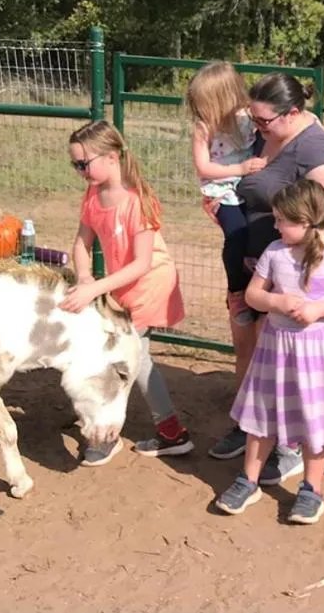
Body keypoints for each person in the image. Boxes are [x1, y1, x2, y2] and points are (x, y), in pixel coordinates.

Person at [204, 72, 324, 489]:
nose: (256, 128)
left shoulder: (314, 146)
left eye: (264, 121)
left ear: (293, 113)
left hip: (290, 277)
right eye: (256, 118)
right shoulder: (270, 130)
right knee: (250, 352)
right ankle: (252, 426)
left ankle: (287, 446)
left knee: (285, 363)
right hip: (253, 264)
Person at [214, 178, 324, 524]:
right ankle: (248, 480)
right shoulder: (275, 252)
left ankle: (311, 489)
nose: (276, 225)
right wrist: (277, 301)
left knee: (316, 419)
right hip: (276, 350)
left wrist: (318, 310)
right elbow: (253, 295)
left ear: (307, 220)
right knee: (261, 417)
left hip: (320, 357)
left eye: (283, 220)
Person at [62, 119, 194, 464]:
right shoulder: (93, 194)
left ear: (111, 156)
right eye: (75, 164)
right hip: (119, 285)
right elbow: (81, 241)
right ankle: (160, 429)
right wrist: (85, 276)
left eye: (83, 164)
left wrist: (95, 289)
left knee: (129, 356)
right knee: (123, 352)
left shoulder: (138, 200)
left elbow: (141, 263)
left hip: (149, 285)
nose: (80, 171)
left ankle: (133, 432)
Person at [183, 61, 267, 379]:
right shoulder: (203, 127)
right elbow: (204, 168)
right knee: (236, 234)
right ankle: (237, 291)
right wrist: (239, 170)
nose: (200, 110)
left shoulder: (249, 117)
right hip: (222, 188)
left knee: (258, 234)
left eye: (204, 103)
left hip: (249, 185)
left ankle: (258, 285)